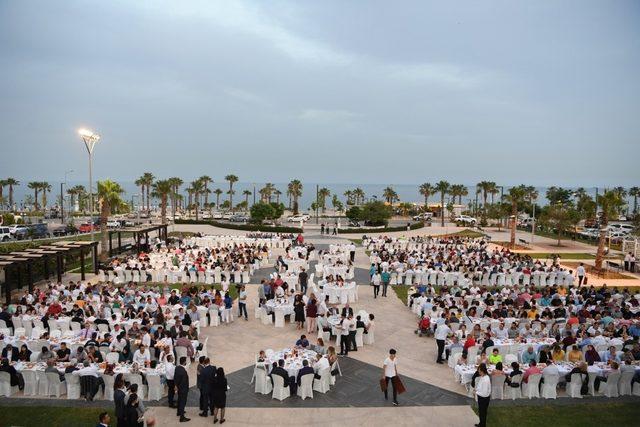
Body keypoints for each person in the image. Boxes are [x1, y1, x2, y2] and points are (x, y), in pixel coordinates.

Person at [174, 357, 190, 422]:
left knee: (179, 400)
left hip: (179, 388)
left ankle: (179, 412)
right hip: (183, 389)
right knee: (183, 402)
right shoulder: (184, 371)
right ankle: (182, 417)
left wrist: (176, 386)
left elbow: (175, 377)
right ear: (184, 362)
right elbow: (184, 382)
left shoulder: (177, 368)